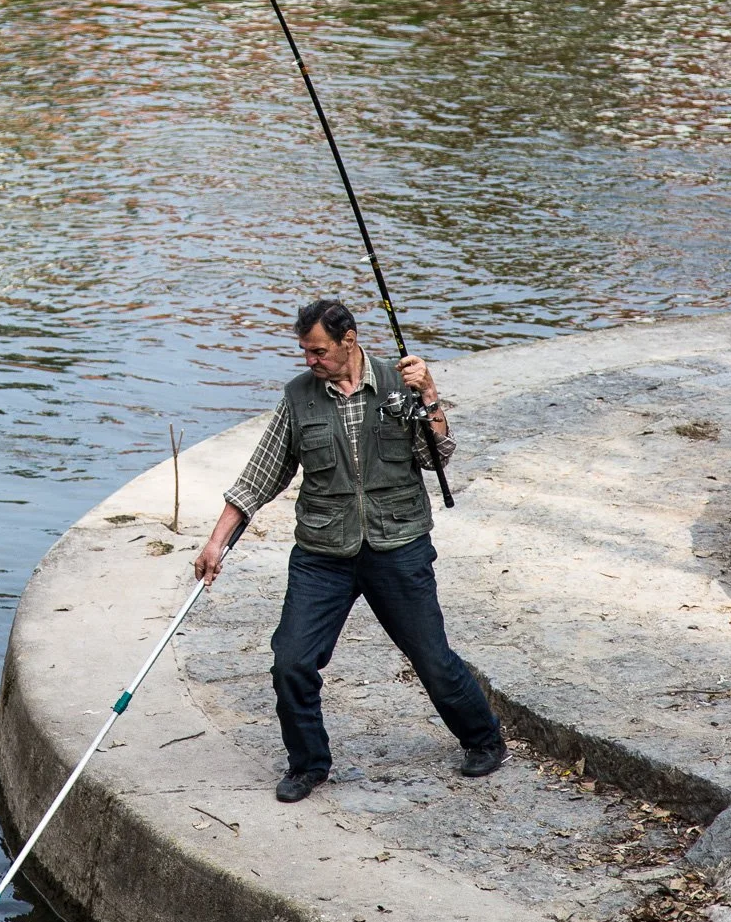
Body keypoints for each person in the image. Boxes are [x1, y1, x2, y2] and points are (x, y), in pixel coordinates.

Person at [194, 298, 505, 802]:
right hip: (322, 554)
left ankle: (484, 738)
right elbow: (260, 475)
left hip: (398, 546)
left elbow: (435, 456)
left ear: (349, 340)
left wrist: (429, 398)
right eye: (304, 352)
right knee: (290, 661)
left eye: (318, 351)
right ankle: (308, 764)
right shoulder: (298, 397)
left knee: (430, 656)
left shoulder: (398, 382)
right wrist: (216, 541)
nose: (310, 362)